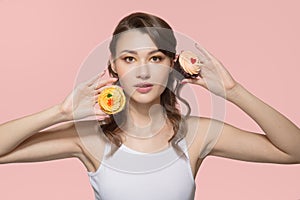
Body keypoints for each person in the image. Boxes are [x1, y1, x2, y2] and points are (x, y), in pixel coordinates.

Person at [0, 12, 299, 200]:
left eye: (155, 58)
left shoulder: (196, 134)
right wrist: (60, 112)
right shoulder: (89, 138)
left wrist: (233, 92)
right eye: (129, 59)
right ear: (114, 67)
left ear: (172, 64)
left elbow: (294, 151)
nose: (143, 72)